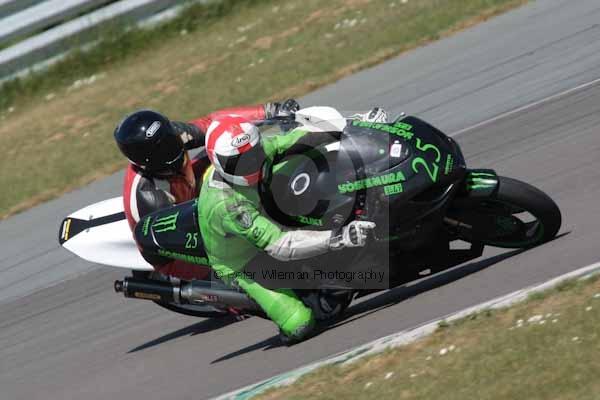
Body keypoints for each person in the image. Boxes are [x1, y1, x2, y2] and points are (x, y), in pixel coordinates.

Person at [198, 107, 383, 343]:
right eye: (239, 163)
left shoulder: (256, 150)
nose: (251, 166)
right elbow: (280, 245)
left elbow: (298, 138)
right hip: (246, 260)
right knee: (299, 323)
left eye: (254, 155)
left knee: (311, 161)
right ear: (218, 162)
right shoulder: (226, 205)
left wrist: (357, 124)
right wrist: (340, 237)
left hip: (266, 206)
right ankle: (249, 296)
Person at [114, 101, 299, 280]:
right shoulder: (149, 198)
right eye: (163, 149)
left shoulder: (172, 134)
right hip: (178, 248)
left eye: (170, 137)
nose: (175, 145)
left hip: (190, 191)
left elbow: (214, 124)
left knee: (225, 150)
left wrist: (268, 111)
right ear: (146, 161)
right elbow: (189, 240)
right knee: (251, 264)